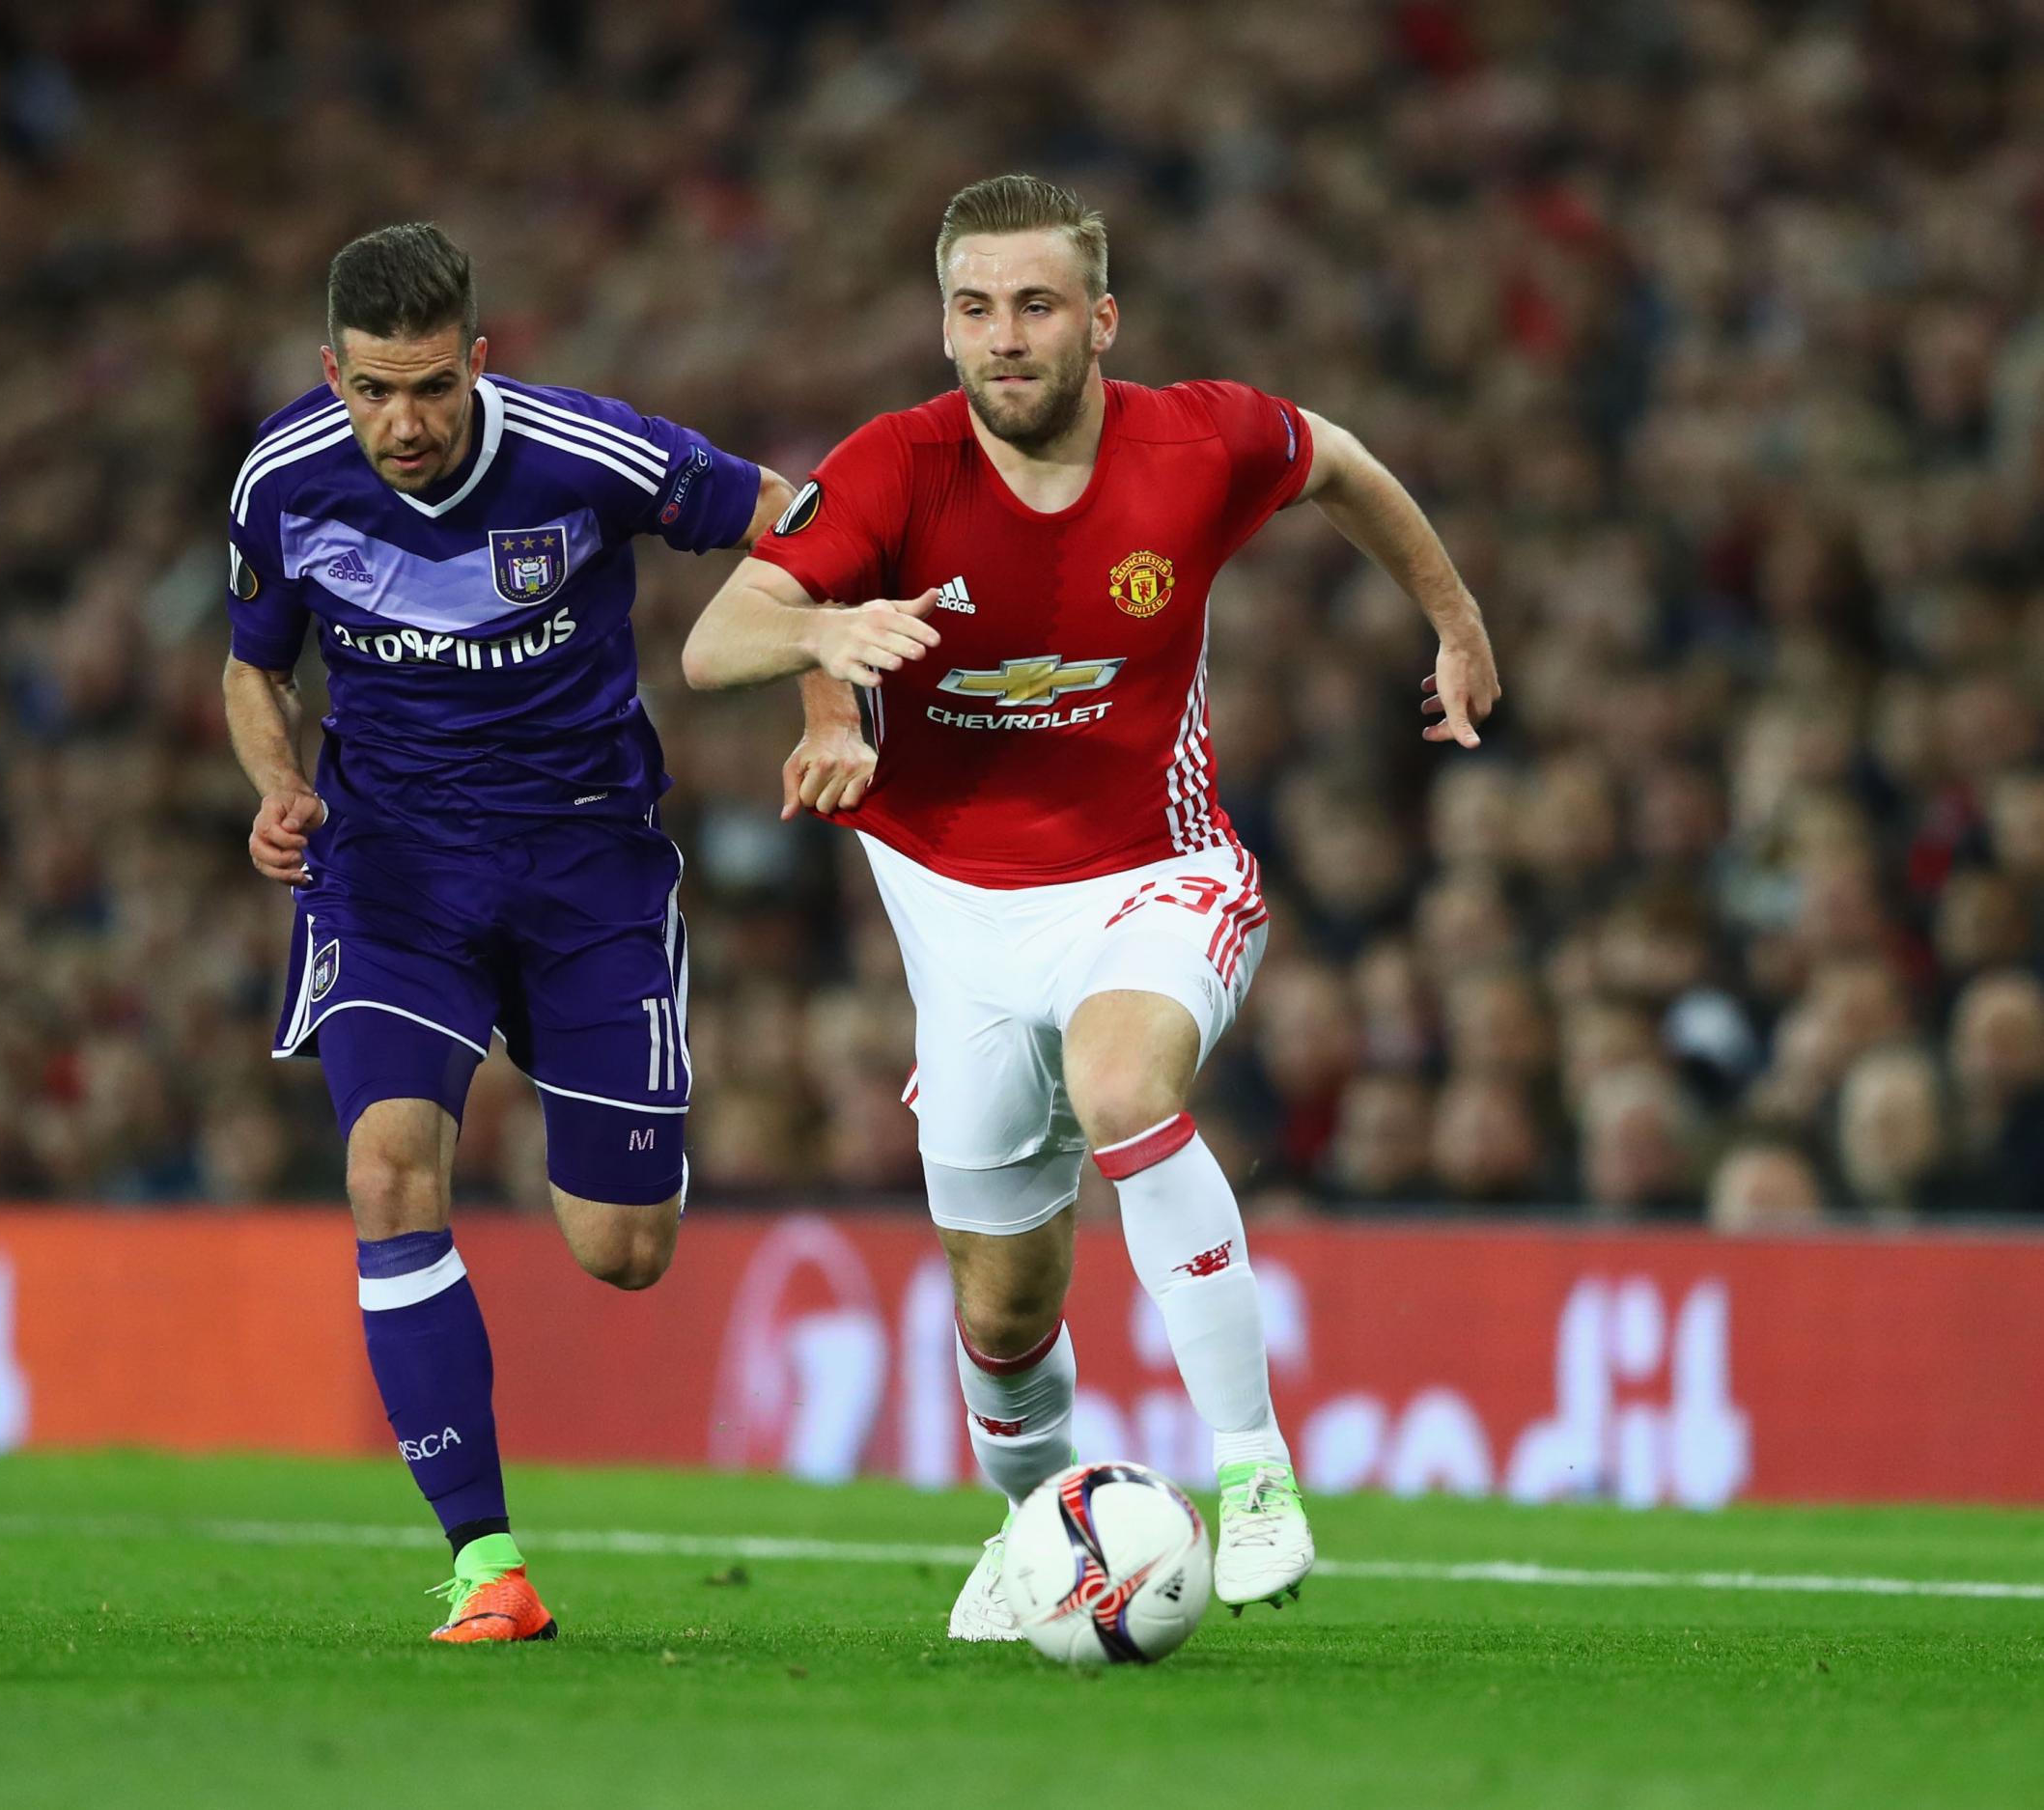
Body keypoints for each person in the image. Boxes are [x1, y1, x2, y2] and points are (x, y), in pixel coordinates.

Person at [683, 174, 1500, 1636]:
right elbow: (711, 641)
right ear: (943, 328)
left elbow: (1346, 465)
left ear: (1101, 320)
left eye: (1039, 305)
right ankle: (1037, 1530)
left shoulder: (1200, 440)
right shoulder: (890, 467)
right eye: (976, 307)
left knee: (1123, 1083)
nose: (1007, 337)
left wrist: (1453, 619)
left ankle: (1254, 1476)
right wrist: (822, 647)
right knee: (1002, 1317)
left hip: (1151, 873)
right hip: (957, 914)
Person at [222, 223, 835, 1643]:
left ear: (479, 361)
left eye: (433, 387)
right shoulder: (282, 480)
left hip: (584, 864)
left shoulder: (587, 455)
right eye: (374, 391)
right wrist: (274, 786)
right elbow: (254, 668)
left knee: (624, 1248)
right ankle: (486, 1563)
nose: (406, 423)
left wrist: (825, 694)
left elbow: (798, 518)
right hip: (392, 876)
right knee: (388, 1170)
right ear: (334, 374)